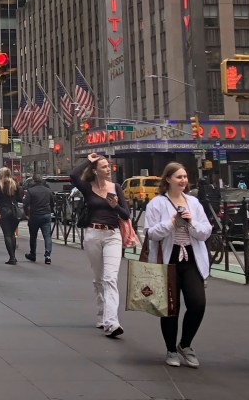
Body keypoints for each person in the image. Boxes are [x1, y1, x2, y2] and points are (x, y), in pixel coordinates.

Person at [143, 162, 212, 368]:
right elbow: (151, 233)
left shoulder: (194, 202)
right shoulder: (156, 203)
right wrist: (171, 223)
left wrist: (191, 222)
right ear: (168, 180)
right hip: (168, 258)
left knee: (198, 303)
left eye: (184, 177)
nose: (183, 180)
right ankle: (171, 349)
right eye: (178, 177)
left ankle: (186, 344)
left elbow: (205, 231)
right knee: (171, 308)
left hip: (191, 257)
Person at [69, 152, 130, 338]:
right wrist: (89, 160)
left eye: (109, 166)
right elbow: (73, 176)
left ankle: (112, 322)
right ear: (95, 171)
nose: (108, 169)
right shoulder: (88, 188)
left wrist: (115, 207)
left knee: (110, 279)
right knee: (99, 278)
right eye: (103, 166)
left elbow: (126, 215)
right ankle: (102, 313)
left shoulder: (116, 187)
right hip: (93, 235)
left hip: (113, 235)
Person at [23, 174, 54, 265]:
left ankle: (33, 254)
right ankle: (47, 255)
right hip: (46, 215)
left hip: (34, 215)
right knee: (47, 236)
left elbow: (25, 204)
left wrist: (27, 214)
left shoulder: (31, 191)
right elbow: (52, 203)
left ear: (33, 181)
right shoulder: (48, 191)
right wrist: (50, 211)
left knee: (33, 236)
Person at [0, 167, 24, 265]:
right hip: (15, 211)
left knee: (7, 235)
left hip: (4, 210)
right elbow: (20, 199)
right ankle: (14, 256)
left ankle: (12, 257)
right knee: (12, 234)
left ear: (1, 174)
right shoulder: (14, 184)